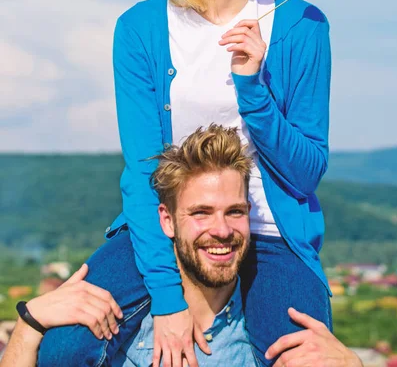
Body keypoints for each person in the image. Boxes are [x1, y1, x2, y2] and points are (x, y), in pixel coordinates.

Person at [38, 0, 332, 367]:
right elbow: (143, 168)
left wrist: (253, 89)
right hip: (167, 227)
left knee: (304, 356)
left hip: (267, 231)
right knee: (63, 348)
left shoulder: (302, 24)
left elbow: (308, 171)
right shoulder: (141, 28)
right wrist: (169, 300)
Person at [5, 126, 359, 367]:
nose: (221, 230)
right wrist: (29, 325)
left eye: (234, 211)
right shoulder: (115, 332)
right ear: (167, 220)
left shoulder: (268, 342)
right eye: (201, 213)